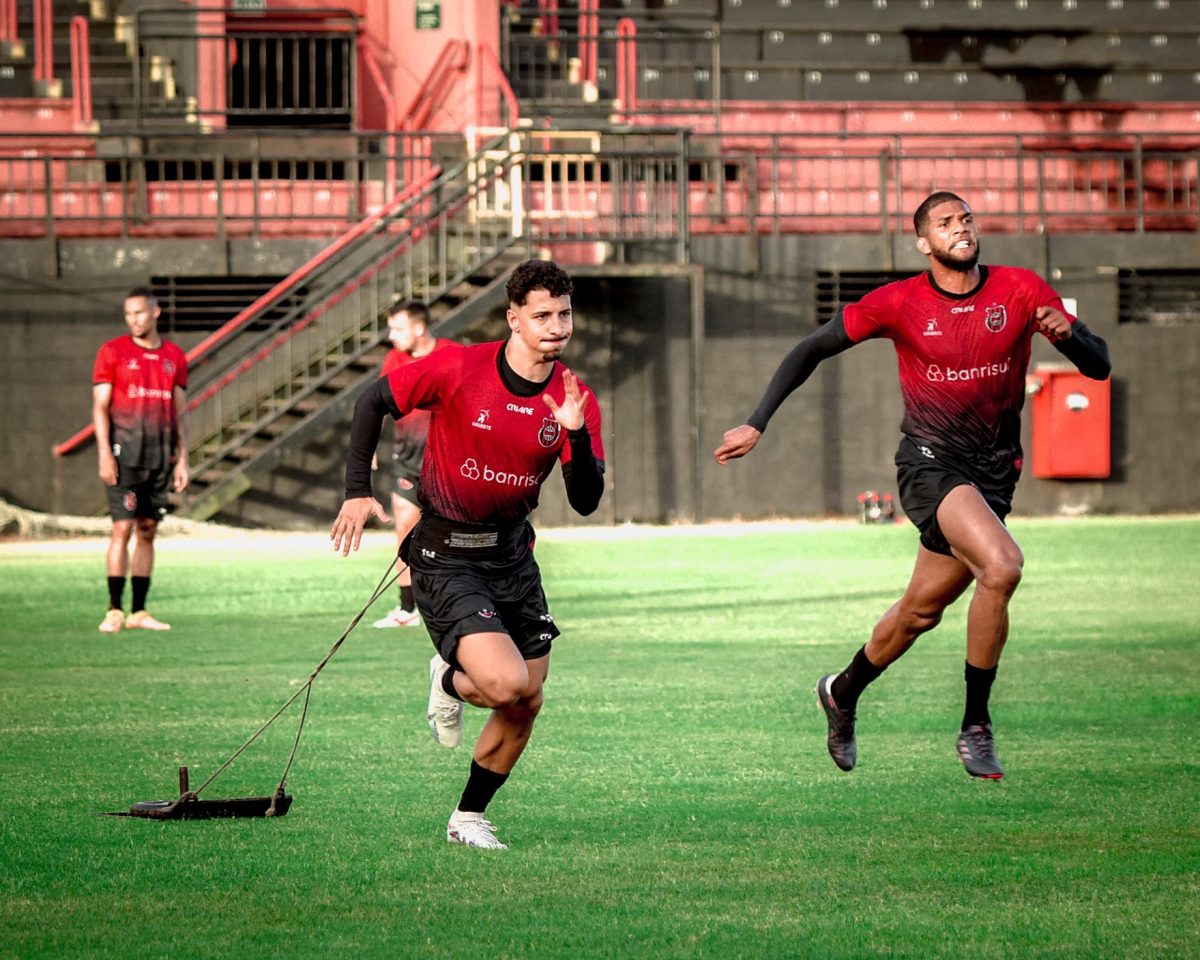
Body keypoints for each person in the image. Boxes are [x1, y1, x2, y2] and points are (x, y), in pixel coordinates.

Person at [714, 192, 1111, 780]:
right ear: (924, 243)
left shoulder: (1022, 290)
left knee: (918, 614)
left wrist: (1070, 336)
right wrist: (757, 420)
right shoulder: (899, 302)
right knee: (1001, 567)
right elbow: (811, 348)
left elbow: (1099, 365)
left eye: (966, 219)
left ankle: (841, 690)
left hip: (993, 477)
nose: (961, 228)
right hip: (929, 467)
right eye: (946, 223)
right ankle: (976, 723)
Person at [331, 259, 605, 848]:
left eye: (564, 314)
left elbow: (585, 500)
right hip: (446, 552)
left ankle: (467, 817)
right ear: (513, 318)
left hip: (513, 557)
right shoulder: (459, 367)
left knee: (527, 698)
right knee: (506, 685)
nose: (557, 326)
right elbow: (370, 402)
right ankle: (452, 680)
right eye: (542, 315)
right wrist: (357, 490)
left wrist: (576, 434)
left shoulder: (574, 396)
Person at [92, 287, 190, 633]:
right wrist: (105, 452)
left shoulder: (174, 356)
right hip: (125, 458)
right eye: (128, 314)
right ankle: (114, 609)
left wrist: (183, 459)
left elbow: (180, 412)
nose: (134, 320)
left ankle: (139, 611)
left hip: (160, 458)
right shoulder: (112, 352)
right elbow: (100, 408)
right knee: (122, 527)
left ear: (155, 313)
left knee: (147, 530)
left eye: (139, 313)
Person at [370, 299, 458, 629]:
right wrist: (369, 446)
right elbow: (377, 402)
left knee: (452, 536)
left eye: (398, 328)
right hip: (407, 462)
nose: (392, 336)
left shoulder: (451, 354)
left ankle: (455, 601)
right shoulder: (395, 359)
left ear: (419, 328)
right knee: (404, 529)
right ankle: (407, 609)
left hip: (447, 464)